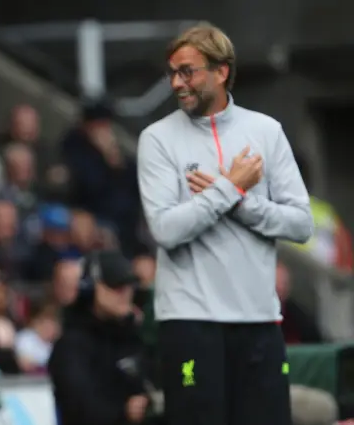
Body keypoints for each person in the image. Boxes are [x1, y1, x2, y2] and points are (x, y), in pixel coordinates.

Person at [137, 23, 313, 425]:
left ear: (221, 71)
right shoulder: (157, 139)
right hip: (189, 323)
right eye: (173, 73)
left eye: (188, 71)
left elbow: (301, 224)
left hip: (259, 321)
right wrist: (230, 189)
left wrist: (239, 201)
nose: (177, 83)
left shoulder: (266, 132)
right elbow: (166, 229)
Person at [48, 250, 150, 425]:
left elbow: (187, 366)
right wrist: (125, 412)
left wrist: (188, 380)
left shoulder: (139, 336)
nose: (125, 293)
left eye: (128, 285)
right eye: (115, 286)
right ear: (90, 288)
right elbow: (78, 406)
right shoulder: (72, 345)